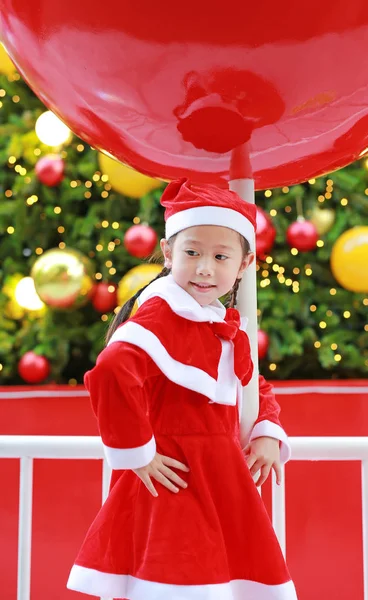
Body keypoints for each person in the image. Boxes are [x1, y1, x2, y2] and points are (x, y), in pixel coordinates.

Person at [67, 178, 297, 599]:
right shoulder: (164, 313)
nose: (205, 267)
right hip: (179, 477)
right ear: (169, 252)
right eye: (192, 252)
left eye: (220, 256)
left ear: (244, 265)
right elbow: (112, 369)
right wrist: (139, 451)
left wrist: (265, 428)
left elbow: (247, 380)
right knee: (178, 582)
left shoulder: (211, 317)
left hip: (218, 474)